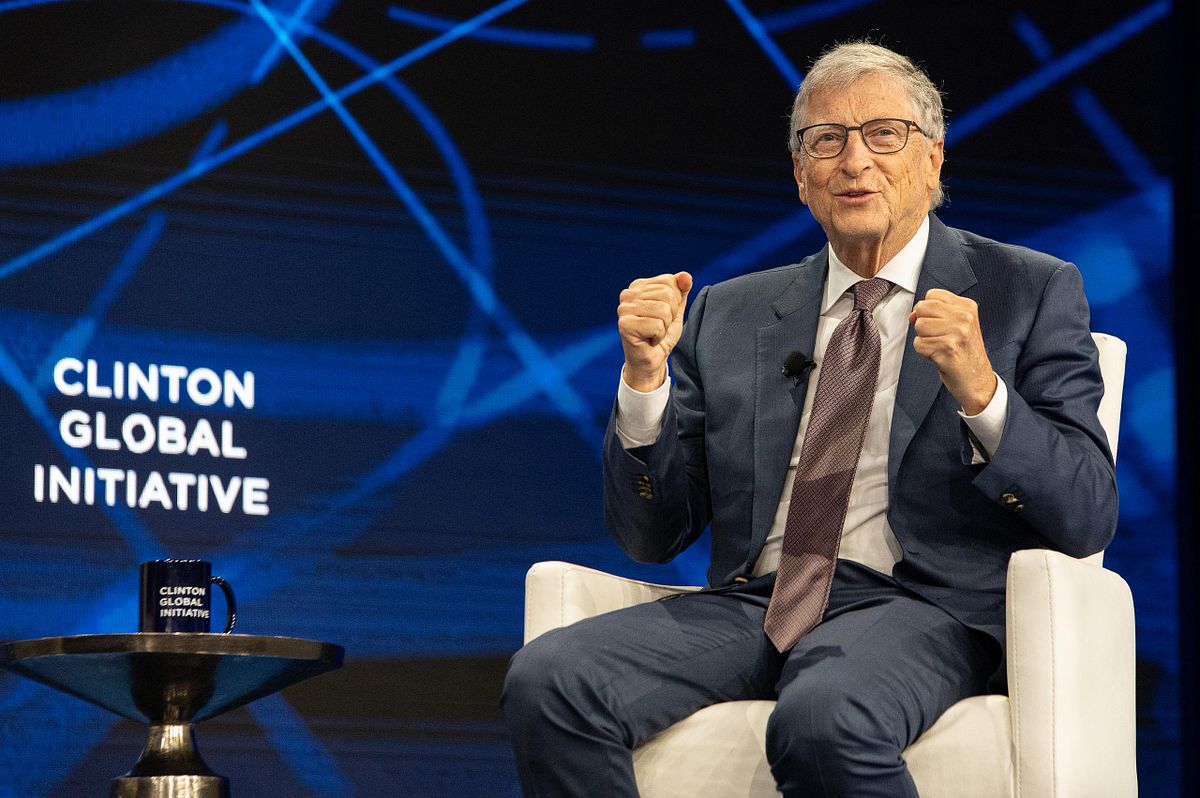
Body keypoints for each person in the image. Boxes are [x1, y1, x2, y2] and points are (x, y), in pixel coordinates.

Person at [501, 41, 1116, 797]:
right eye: (826, 140)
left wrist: (983, 391)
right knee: (551, 679)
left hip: (919, 607)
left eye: (883, 134)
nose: (854, 161)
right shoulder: (727, 313)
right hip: (758, 603)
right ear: (800, 174)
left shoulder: (1027, 290)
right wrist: (644, 382)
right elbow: (652, 536)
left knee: (824, 718)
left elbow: (1086, 513)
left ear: (932, 160)